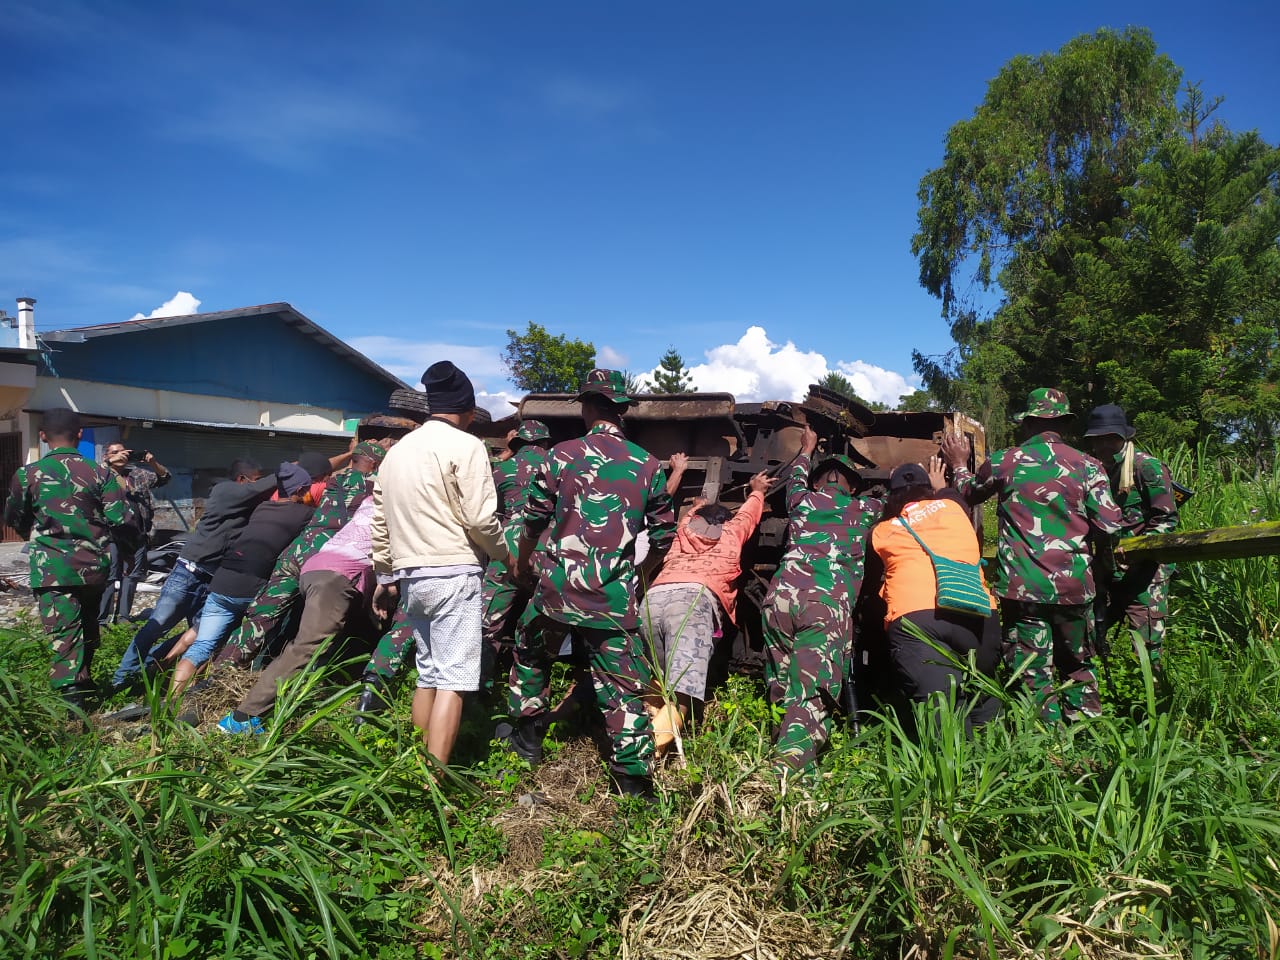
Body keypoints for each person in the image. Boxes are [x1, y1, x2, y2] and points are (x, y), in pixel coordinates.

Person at [502, 369, 677, 799]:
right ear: (620, 409)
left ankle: (527, 738)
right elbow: (663, 537)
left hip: (556, 591)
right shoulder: (648, 464)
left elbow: (533, 521)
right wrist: (640, 573)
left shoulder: (559, 455)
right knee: (622, 685)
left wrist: (524, 564)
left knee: (529, 650)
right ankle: (633, 781)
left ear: (587, 407)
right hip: (612, 598)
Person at [941, 387, 1124, 722]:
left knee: (1031, 670)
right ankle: (1088, 738)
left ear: (1027, 424)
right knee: (1078, 665)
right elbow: (1110, 527)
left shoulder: (1005, 462)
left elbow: (968, 493)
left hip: (1022, 588)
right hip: (1073, 588)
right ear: (1064, 425)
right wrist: (1102, 567)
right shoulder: (1089, 465)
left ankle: (1045, 750)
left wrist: (957, 463)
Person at [370, 361, 506, 769]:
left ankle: (414, 763)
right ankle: (435, 783)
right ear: (466, 411)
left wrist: (384, 573)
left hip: (411, 575)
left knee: (428, 672)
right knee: (455, 680)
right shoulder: (467, 446)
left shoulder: (396, 453)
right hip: (453, 572)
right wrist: (505, 554)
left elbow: (381, 521)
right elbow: (481, 519)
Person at [762, 426, 883, 772]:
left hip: (779, 600)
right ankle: (791, 781)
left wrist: (807, 448)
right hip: (824, 604)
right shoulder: (866, 509)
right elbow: (903, 501)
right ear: (853, 486)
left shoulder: (801, 499)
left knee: (781, 685)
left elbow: (797, 473)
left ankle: (777, 752)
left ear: (817, 483)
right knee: (810, 693)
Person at [4, 408, 140, 706]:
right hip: (93, 567)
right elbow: (122, 521)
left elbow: (14, 518)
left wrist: (38, 533)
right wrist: (128, 554)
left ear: (42, 436)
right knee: (89, 625)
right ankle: (86, 685)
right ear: (79, 435)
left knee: (65, 631)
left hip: (51, 568)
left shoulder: (27, 475)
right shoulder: (101, 473)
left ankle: (73, 705)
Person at [220, 494, 385, 733]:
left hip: (317, 566)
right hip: (336, 576)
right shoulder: (401, 503)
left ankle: (296, 699)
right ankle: (243, 717)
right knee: (309, 645)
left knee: (317, 641)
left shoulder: (375, 498)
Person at [112, 456, 277, 689]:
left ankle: (150, 667)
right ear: (242, 480)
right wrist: (292, 471)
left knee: (198, 636)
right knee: (157, 626)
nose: (257, 487)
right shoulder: (224, 491)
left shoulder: (247, 506)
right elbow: (265, 485)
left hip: (213, 581)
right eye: (254, 481)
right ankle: (122, 678)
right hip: (188, 574)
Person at [216, 442, 385, 669]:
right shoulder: (376, 486)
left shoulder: (332, 482)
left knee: (262, 616)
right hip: (325, 560)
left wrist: (349, 453)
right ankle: (296, 679)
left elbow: (314, 470)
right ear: (375, 464)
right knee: (316, 626)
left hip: (295, 552)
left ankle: (221, 671)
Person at [640, 470, 773, 753]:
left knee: (655, 679)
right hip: (693, 603)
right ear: (724, 522)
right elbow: (748, 515)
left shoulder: (682, 533)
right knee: (682, 693)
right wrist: (757, 490)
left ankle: (638, 736)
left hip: (652, 600)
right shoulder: (731, 533)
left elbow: (690, 517)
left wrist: (697, 506)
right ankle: (643, 757)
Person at [868, 460, 1001, 737]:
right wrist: (941, 483)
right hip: (979, 614)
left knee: (941, 709)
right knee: (984, 693)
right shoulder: (955, 508)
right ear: (929, 490)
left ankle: (952, 774)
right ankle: (995, 760)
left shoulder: (883, 531)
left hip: (918, 620)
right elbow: (951, 494)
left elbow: (871, 580)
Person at [162, 463, 318, 698]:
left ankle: (169, 703)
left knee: (202, 646)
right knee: (241, 646)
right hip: (251, 586)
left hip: (223, 581)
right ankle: (214, 696)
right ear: (301, 489)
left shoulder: (262, 508)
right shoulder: (306, 515)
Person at [1082, 404, 1179, 677]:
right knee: (1091, 637)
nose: (1102, 445)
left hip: (1146, 574)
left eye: (1108, 438)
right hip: (1106, 572)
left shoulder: (1146, 468)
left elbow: (1166, 520)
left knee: (1146, 648)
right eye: (1097, 440)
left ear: (1122, 437)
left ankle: (1151, 702)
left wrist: (1137, 551)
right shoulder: (1094, 471)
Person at [479, 419, 553, 689]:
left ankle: (477, 691)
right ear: (545, 443)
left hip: (506, 549)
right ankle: (529, 698)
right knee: (541, 626)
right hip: (548, 549)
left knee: (487, 626)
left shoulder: (501, 469)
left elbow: (489, 512)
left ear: (517, 443)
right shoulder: (559, 464)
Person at [98, 442, 170, 624]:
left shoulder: (138, 474)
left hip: (136, 534)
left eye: (123, 452)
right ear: (106, 456)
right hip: (110, 534)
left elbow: (164, 478)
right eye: (115, 452)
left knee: (131, 577)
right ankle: (102, 620)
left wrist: (152, 462)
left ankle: (123, 617)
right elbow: (91, 479)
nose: (121, 455)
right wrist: (108, 464)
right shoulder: (102, 474)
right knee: (109, 576)